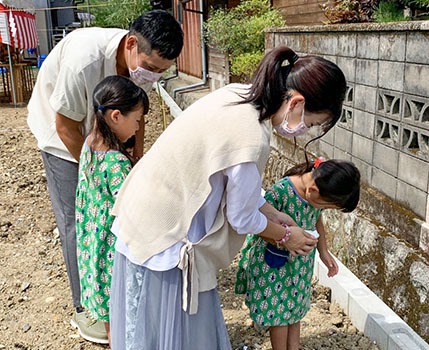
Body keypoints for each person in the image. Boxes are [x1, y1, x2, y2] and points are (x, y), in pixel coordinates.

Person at [109, 45, 347, 349]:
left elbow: (233, 185)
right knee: (170, 335)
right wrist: (287, 236)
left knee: (145, 326)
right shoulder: (251, 136)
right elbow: (242, 216)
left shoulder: (237, 95)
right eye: (311, 123)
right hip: (165, 236)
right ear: (297, 102)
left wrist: (273, 214)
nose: (304, 131)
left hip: (143, 216)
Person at [26, 10, 183, 344]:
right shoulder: (84, 60)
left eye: (161, 72)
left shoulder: (140, 71)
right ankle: (87, 307)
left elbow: (137, 115)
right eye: (151, 68)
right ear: (130, 44)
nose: (153, 76)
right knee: (77, 219)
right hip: (62, 133)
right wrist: (96, 168)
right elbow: (65, 124)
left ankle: (114, 290)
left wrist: (134, 164)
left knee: (110, 221)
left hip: (106, 136)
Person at [235, 157, 360, 350]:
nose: (324, 209)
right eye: (326, 205)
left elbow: (316, 219)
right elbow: (259, 225)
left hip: (299, 265)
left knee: (294, 307)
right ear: (313, 191)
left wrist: (324, 252)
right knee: (278, 314)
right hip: (273, 264)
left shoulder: (315, 195)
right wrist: (284, 241)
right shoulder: (281, 192)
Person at [75, 76, 149, 344]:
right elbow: (134, 211)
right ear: (116, 116)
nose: (139, 126)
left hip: (92, 246)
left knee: (110, 316)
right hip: (112, 254)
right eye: (137, 119)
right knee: (123, 319)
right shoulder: (116, 162)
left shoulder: (90, 144)